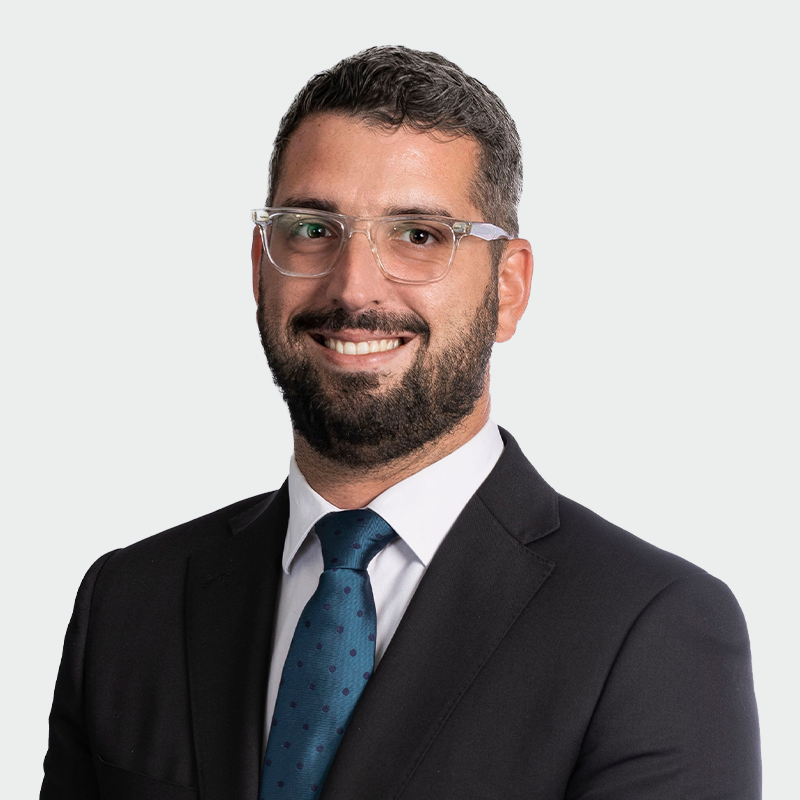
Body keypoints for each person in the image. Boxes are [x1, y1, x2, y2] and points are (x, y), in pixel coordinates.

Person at [41, 46, 761, 800]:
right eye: (313, 229)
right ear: (260, 266)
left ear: (508, 288)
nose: (353, 287)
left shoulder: (649, 629)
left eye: (419, 235)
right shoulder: (128, 603)